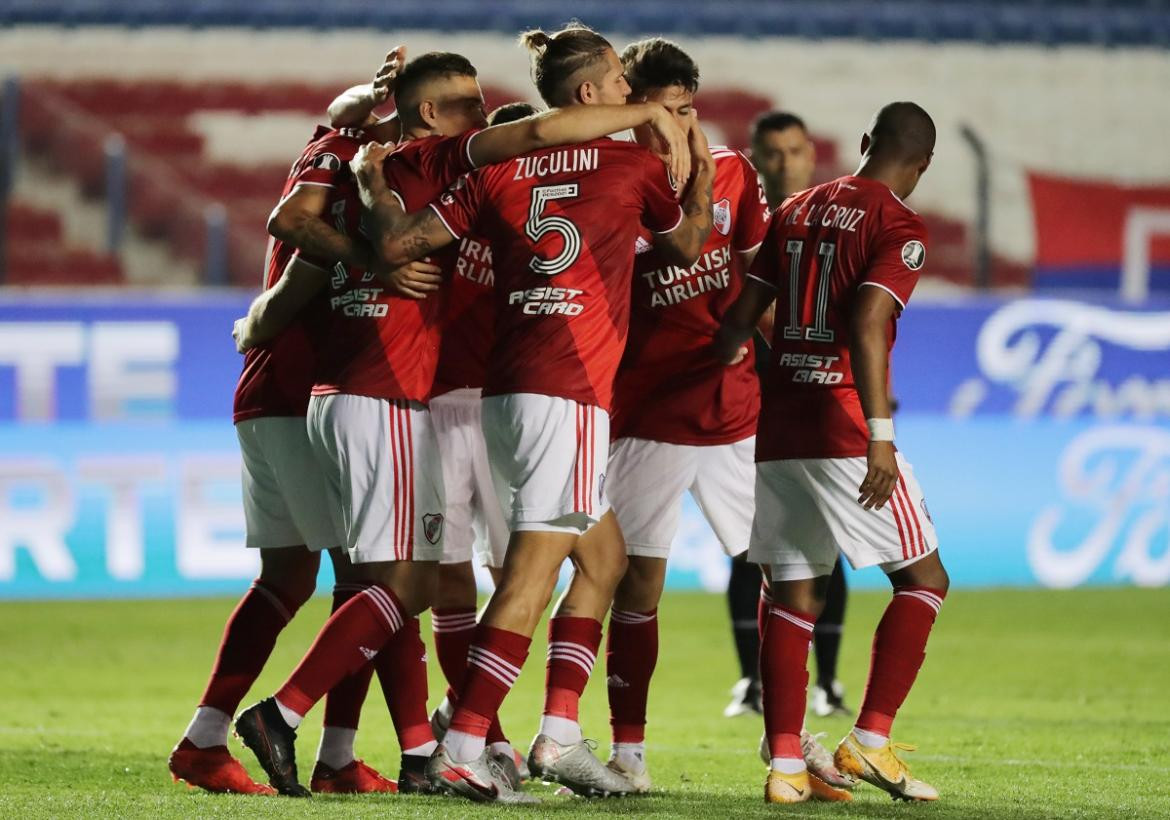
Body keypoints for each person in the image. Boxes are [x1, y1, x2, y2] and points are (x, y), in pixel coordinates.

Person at [230, 49, 694, 800]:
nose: (483, 117)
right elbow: (553, 148)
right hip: (421, 398)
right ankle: (432, 734)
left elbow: (322, 234)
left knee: (581, 560)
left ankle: (447, 741)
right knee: (443, 583)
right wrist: (653, 118)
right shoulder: (470, 169)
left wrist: (262, 315)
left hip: (403, 397)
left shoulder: (373, 167)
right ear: (430, 116)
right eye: (468, 105)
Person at [354, 22, 714, 803]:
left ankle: (555, 735)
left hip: (508, 389)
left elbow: (401, 243)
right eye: (619, 79)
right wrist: (705, 174)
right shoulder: (629, 164)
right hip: (570, 390)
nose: (628, 92)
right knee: (528, 577)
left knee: (605, 560)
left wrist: (372, 186)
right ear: (589, 93)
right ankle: (461, 741)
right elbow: (687, 246)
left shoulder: (500, 171)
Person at [168, 53, 434, 797]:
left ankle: (207, 739)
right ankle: (338, 752)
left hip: (271, 392)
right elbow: (297, 277)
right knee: (371, 577)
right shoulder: (361, 179)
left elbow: (341, 111)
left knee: (290, 577)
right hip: (314, 391)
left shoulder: (330, 153)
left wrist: (257, 319)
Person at [715, 101, 947, 804]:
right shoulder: (898, 226)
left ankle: (787, 765)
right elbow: (870, 324)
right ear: (924, 165)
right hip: (845, 427)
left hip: (780, 426)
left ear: (867, 142)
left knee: (791, 593)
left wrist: (733, 366)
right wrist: (881, 433)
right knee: (925, 581)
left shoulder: (797, 208)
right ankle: (870, 742)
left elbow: (740, 317)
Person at [600, 36, 771, 791]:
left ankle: (788, 742)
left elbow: (760, 278)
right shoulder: (613, 186)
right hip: (647, 418)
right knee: (637, 586)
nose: (674, 122)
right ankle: (628, 752)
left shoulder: (736, 172)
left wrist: (783, 361)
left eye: (684, 108)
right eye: (659, 109)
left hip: (737, 414)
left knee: (783, 572)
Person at [725, 110, 852, 720]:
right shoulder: (741, 224)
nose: (783, 163)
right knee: (751, 546)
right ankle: (753, 682)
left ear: (809, 155)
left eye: (794, 151)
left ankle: (826, 682)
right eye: (771, 153)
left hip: (818, 402)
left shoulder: (832, 228)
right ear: (755, 157)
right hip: (749, 405)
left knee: (826, 542)